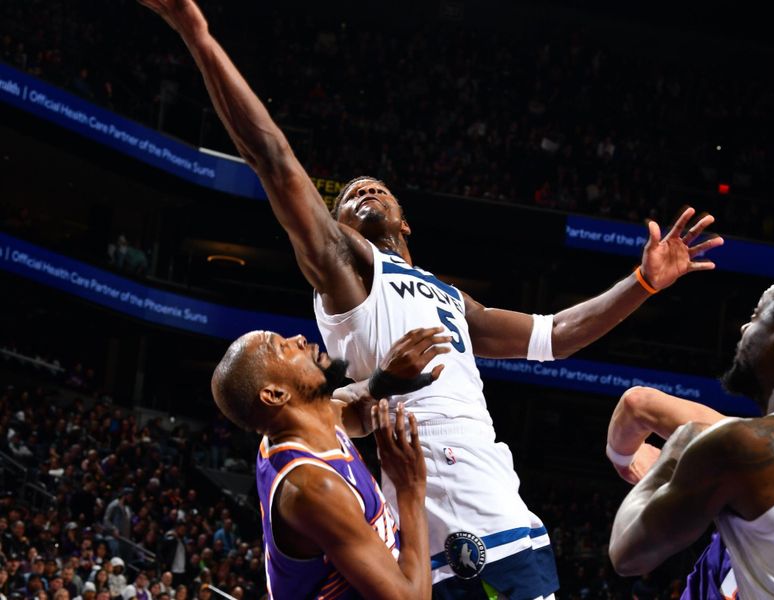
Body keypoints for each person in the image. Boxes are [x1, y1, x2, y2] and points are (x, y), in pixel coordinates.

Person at [138, 1, 723, 596]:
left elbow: (556, 336)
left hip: (505, 505)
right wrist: (200, 35)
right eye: (346, 198)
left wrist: (642, 283)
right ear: (336, 229)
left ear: (407, 224)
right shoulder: (348, 276)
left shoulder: (449, 297)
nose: (363, 186)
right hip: (444, 526)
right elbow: (275, 160)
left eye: (378, 186)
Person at [210, 327, 451, 598]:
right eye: (281, 348)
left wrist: (381, 382)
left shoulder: (302, 422)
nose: (298, 339)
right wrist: (410, 491)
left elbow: (351, 409)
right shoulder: (313, 488)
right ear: (276, 395)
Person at [609, 276, 774, 598]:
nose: (743, 329)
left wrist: (674, 452)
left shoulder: (745, 445)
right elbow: (637, 404)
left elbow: (627, 555)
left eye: (756, 316)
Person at [606, 386, 737, 599]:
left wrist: (632, 463)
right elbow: (636, 404)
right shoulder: (767, 450)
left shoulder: (763, 446)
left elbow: (637, 403)